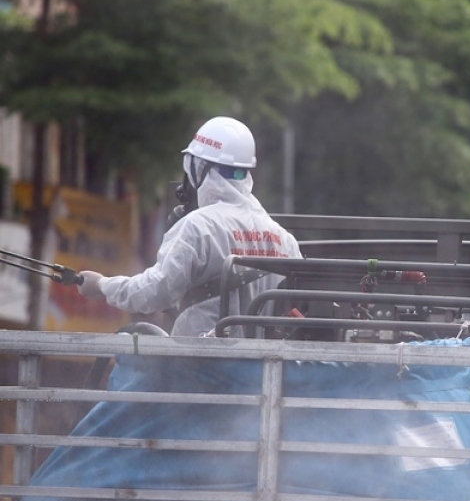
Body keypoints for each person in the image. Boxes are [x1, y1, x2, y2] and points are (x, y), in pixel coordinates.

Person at [76, 116, 302, 337]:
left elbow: (155, 291)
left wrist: (103, 285)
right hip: (262, 370)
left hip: (198, 365)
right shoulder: (284, 239)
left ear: (199, 168)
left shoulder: (198, 228)